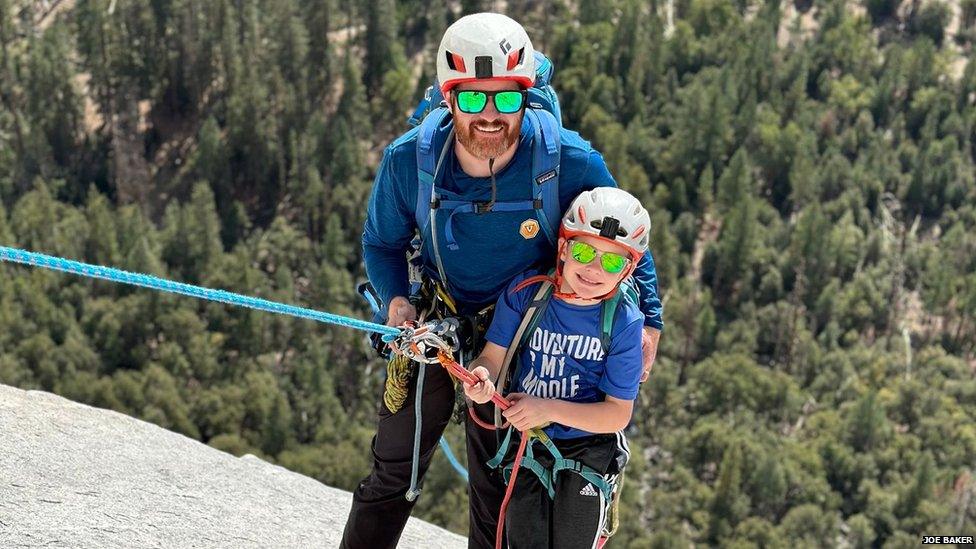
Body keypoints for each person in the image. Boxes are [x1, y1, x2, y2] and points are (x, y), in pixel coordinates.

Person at [342, 12, 664, 549]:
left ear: (525, 94)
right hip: (435, 321)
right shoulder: (409, 161)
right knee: (394, 472)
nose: (489, 115)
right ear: (449, 98)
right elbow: (381, 243)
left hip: (525, 334)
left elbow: (624, 235)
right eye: (473, 100)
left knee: (495, 485)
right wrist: (396, 303)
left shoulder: (567, 156)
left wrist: (649, 319)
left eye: (505, 99)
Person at [463, 187, 649, 549]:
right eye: (584, 252)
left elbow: (616, 415)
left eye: (611, 262)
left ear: (627, 270)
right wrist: (482, 377)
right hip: (528, 444)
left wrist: (545, 408)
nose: (594, 269)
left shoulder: (624, 323)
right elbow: (491, 359)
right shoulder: (527, 293)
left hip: (588, 448)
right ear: (564, 249)